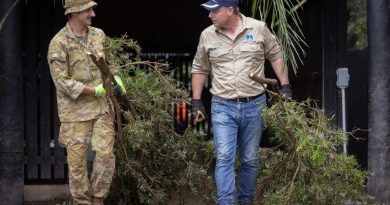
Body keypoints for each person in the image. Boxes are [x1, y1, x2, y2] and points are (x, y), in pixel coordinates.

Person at [191, 0, 292, 204]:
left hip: (254, 105)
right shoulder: (207, 35)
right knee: (225, 157)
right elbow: (200, 67)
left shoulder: (258, 28)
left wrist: (285, 86)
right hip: (222, 105)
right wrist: (196, 101)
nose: (210, 16)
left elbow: (276, 55)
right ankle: (225, 202)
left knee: (249, 159)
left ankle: (245, 200)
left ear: (230, 10)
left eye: (215, 11)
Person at [47, 0, 126, 204]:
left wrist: (116, 78)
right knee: (77, 165)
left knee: (106, 156)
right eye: (88, 10)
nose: (93, 14)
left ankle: (97, 200)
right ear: (74, 12)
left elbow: (111, 62)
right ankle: (82, 202)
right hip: (74, 114)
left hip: (102, 109)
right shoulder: (59, 42)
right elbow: (61, 81)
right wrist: (94, 90)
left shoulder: (98, 35)